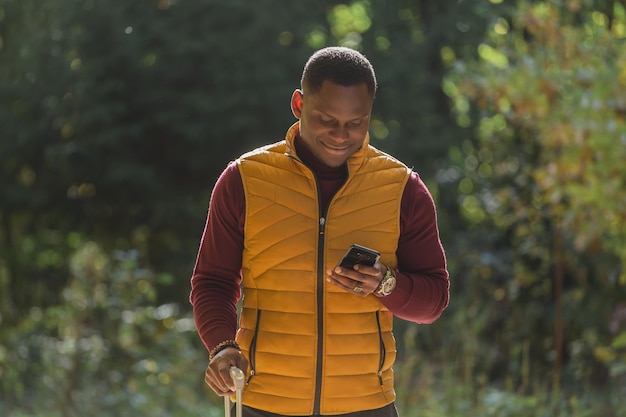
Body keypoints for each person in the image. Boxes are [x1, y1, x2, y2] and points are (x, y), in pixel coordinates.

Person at [190, 46, 449, 417]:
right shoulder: (243, 180)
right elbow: (213, 281)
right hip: (264, 403)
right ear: (298, 104)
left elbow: (434, 300)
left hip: (366, 406)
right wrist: (221, 346)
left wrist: (385, 283)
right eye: (326, 119)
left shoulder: (402, 189)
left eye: (356, 122)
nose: (340, 135)